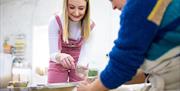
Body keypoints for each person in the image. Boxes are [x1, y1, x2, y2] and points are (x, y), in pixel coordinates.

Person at [77, 0, 180, 91]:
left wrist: (91, 89)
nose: (113, 7)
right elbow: (138, 71)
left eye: (112, 0)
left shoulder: (139, 3)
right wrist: (101, 81)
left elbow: (123, 65)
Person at [48, 0, 95, 83]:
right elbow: (53, 54)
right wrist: (60, 57)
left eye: (81, 8)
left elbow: (85, 54)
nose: (76, 13)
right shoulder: (55, 21)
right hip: (58, 60)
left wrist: (81, 67)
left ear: (87, 8)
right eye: (72, 7)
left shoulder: (90, 26)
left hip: (79, 62)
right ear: (65, 6)